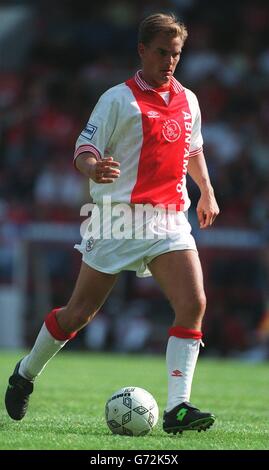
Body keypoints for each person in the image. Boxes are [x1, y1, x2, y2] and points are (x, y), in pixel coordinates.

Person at [5, 13, 219, 435]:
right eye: (162, 52)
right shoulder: (117, 100)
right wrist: (93, 168)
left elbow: (192, 150)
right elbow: (84, 148)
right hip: (117, 220)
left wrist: (207, 192)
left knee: (193, 303)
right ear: (142, 50)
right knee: (78, 315)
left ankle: (178, 407)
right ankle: (24, 374)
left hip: (169, 218)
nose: (170, 61)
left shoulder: (188, 100)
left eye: (176, 54)